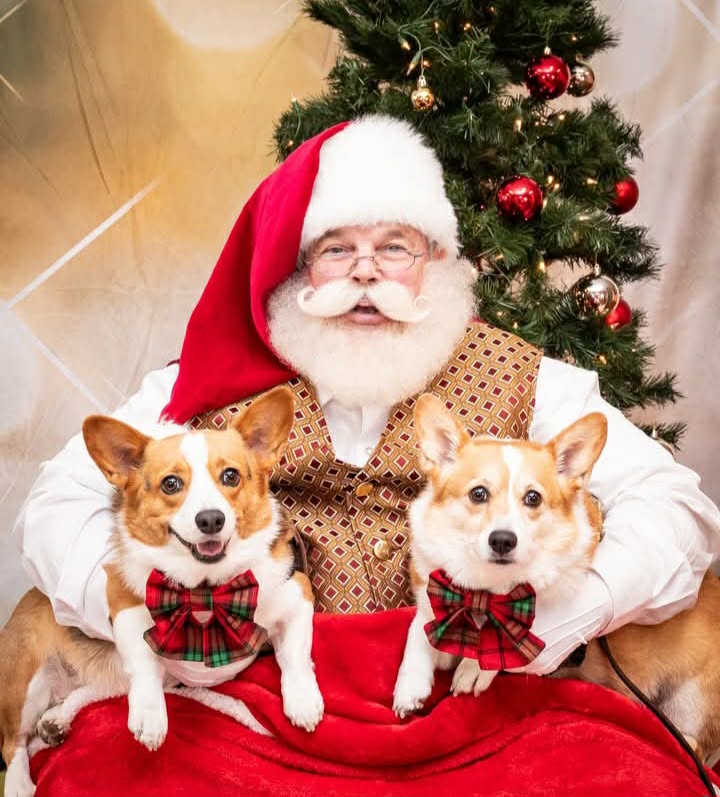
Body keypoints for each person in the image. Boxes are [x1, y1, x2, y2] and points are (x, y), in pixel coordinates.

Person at [14, 114, 720, 681]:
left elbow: (679, 507)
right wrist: (148, 617)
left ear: (435, 262)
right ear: (299, 270)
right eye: (336, 249)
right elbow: (57, 504)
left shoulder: (522, 374)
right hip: (265, 692)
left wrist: (580, 608)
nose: (363, 274)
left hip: (468, 694)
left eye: (393, 248)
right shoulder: (210, 380)